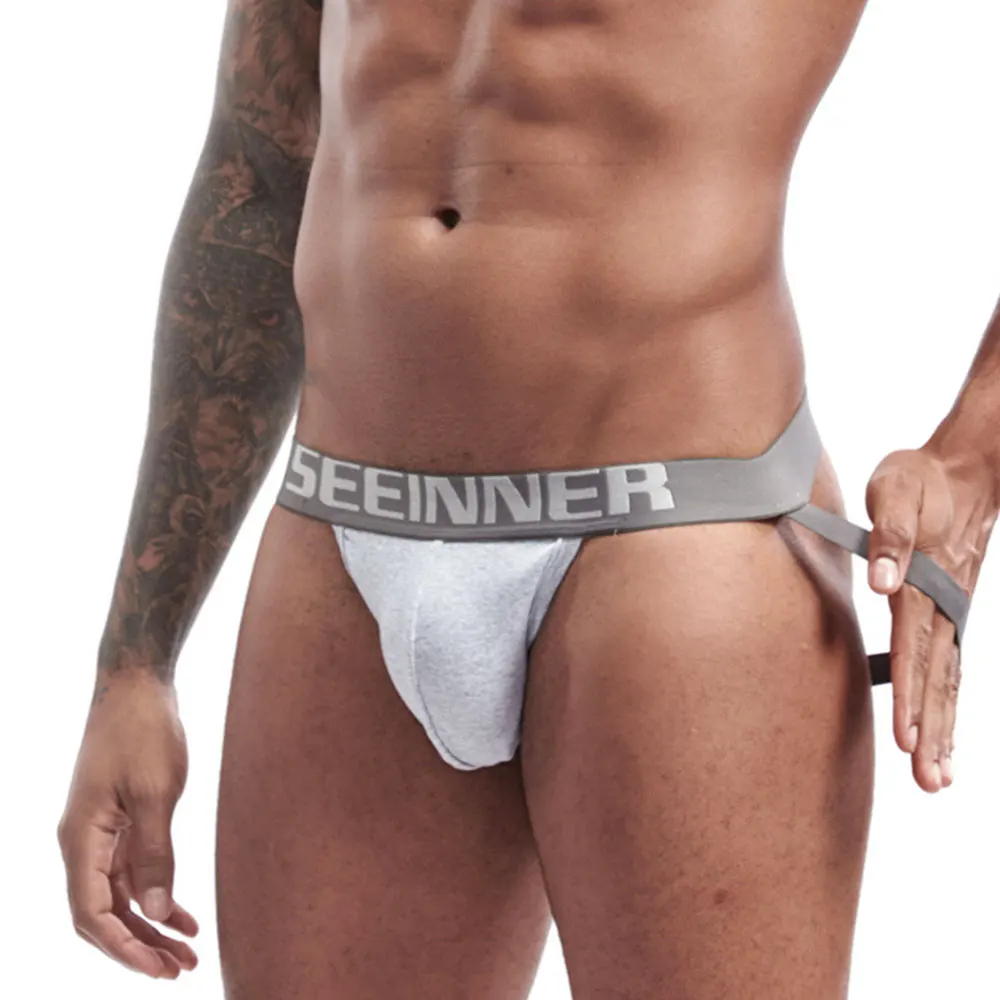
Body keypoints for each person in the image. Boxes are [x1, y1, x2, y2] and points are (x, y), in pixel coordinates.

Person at [56, 1, 998, 996]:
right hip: (341, 527)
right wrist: (135, 662)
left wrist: (973, 460)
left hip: (679, 532)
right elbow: (260, 165)